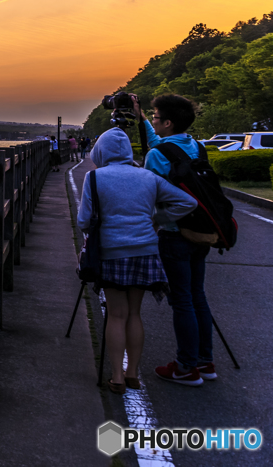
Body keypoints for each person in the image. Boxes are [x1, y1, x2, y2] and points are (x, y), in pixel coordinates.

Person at [78, 127, 197, 394]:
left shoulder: (94, 177)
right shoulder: (148, 177)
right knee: (134, 314)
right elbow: (187, 202)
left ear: (100, 151)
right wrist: (156, 220)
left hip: (112, 252)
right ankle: (133, 374)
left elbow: (83, 221)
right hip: (146, 251)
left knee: (116, 315)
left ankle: (116, 377)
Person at [134, 93, 216, 386]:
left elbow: (148, 194)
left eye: (156, 117)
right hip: (201, 231)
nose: (154, 122)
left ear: (168, 122)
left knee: (181, 300)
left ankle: (185, 367)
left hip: (174, 234)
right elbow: (161, 145)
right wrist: (141, 117)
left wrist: (154, 222)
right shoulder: (196, 146)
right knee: (197, 295)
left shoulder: (157, 155)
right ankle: (205, 362)